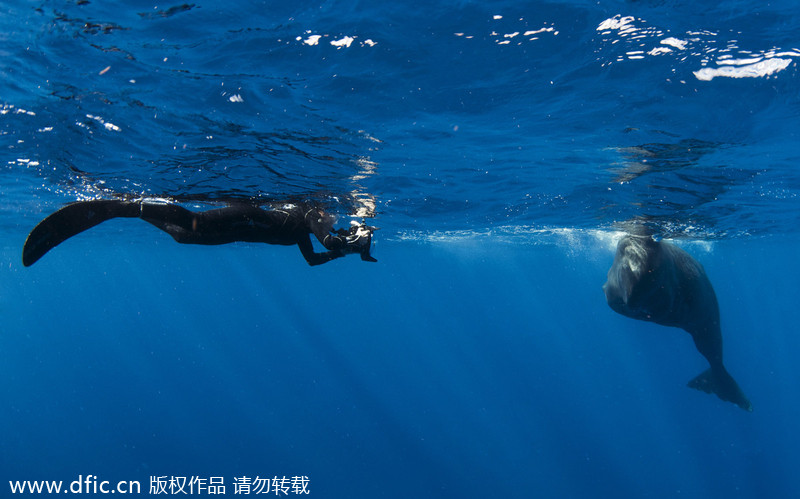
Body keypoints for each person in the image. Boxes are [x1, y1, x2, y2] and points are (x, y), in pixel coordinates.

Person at [22, 198, 377, 267]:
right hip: (248, 216)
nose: (336, 221)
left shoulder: (305, 230)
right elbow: (328, 241)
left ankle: (130, 212)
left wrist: (340, 251)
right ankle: (128, 206)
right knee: (196, 223)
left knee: (184, 236)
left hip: (243, 227)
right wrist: (349, 245)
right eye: (338, 218)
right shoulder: (313, 214)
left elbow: (314, 258)